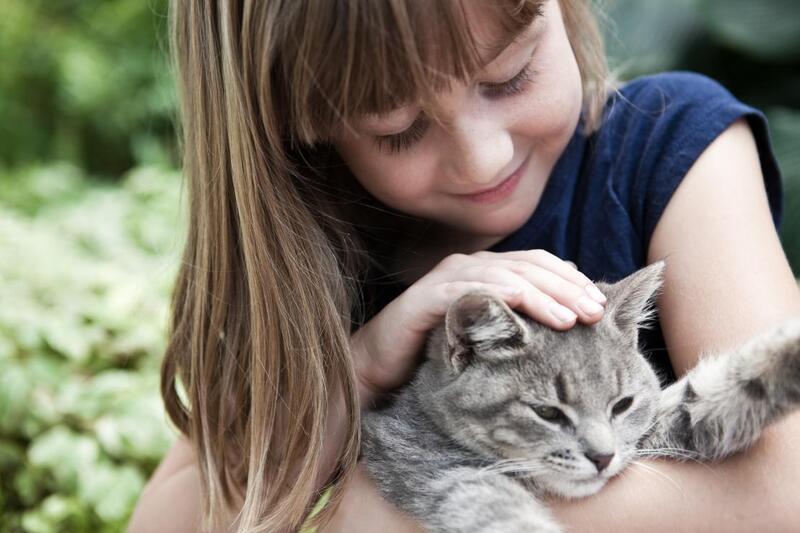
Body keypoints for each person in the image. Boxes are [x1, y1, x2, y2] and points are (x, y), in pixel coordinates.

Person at [128, 0, 800, 531]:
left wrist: (407, 515)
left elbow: (788, 490)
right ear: (298, 124)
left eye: (509, 75)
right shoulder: (313, 268)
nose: (483, 159)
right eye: (399, 128)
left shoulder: (669, 148)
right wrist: (355, 371)